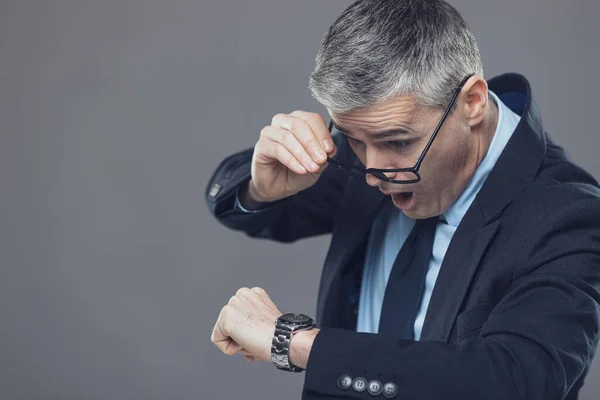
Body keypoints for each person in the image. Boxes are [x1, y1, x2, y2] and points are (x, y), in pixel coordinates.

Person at [206, 0, 600, 399]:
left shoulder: (569, 215)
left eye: (397, 142)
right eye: (354, 141)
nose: (374, 172)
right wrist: (262, 187)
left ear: (472, 102)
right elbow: (248, 211)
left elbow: (516, 381)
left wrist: (296, 342)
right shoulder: (377, 145)